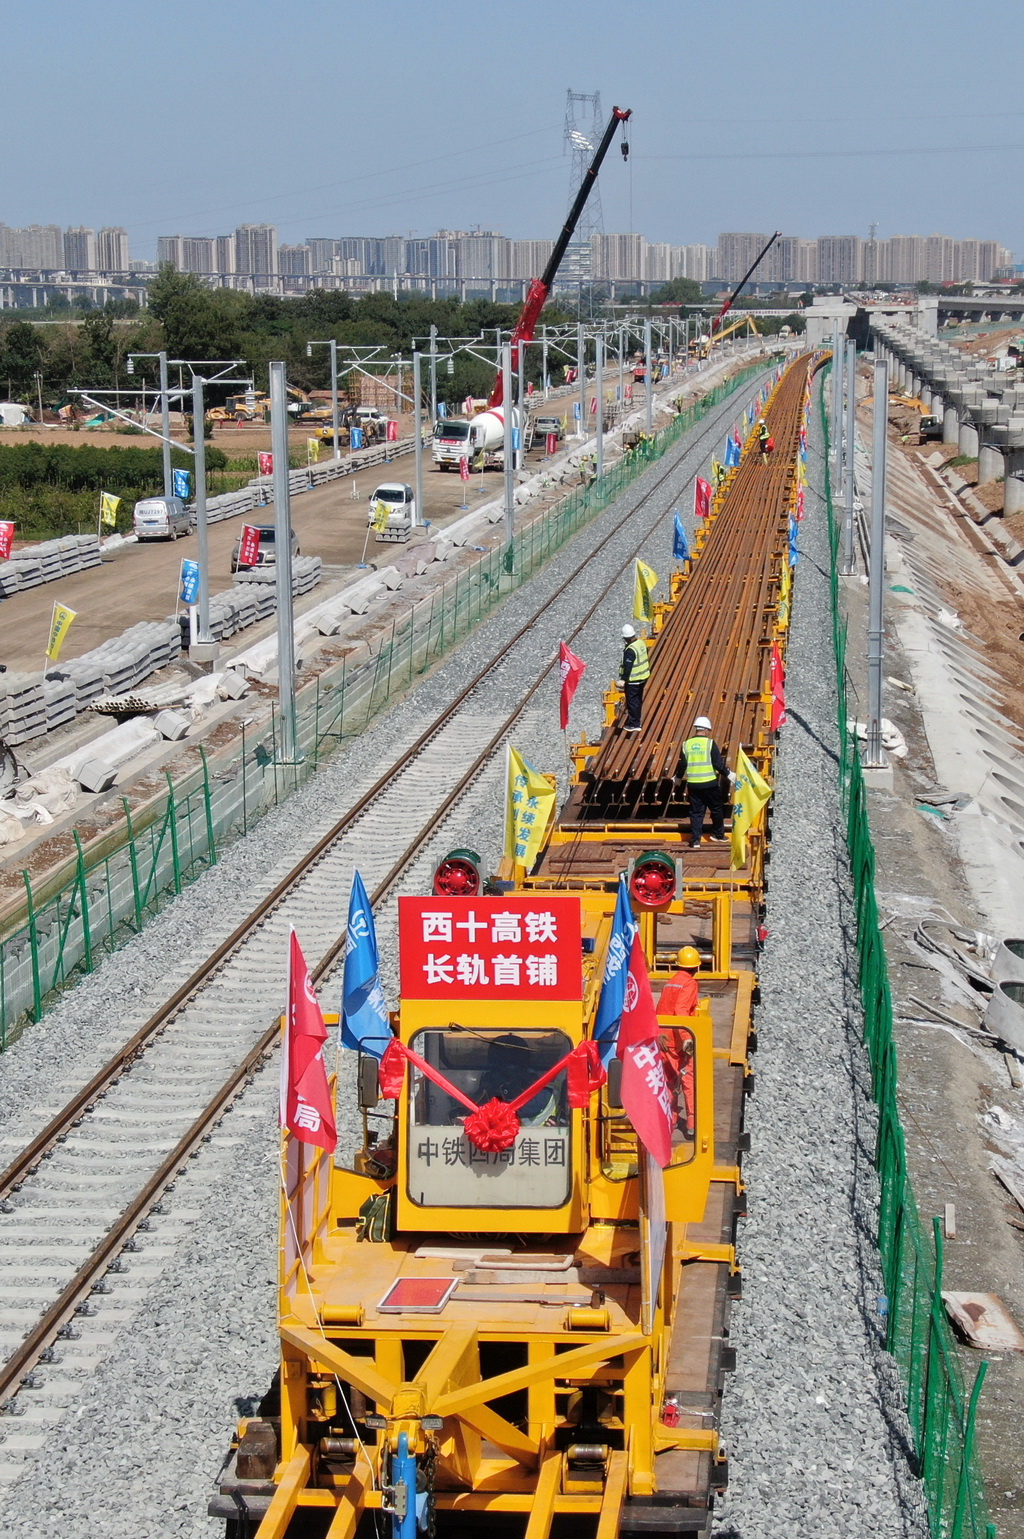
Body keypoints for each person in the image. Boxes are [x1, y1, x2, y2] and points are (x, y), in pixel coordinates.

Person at [658, 947, 701, 1138]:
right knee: (689, 1080)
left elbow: (661, 1009)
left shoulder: (671, 983)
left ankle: (670, 1120)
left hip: (664, 1037)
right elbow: (681, 1010)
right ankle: (692, 1124)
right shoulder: (689, 983)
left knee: (668, 1081)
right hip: (679, 1039)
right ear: (696, 968)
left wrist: (657, 1033)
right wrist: (687, 1038)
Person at [677, 715, 730, 847]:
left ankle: (695, 840)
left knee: (696, 812)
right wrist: (728, 773)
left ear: (696, 729)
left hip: (694, 785)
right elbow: (717, 764)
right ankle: (718, 835)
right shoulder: (710, 743)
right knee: (716, 809)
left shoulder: (686, 744)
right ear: (706, 730)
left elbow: (682, 765)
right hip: (710, 784)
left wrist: (678, 777)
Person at [619, 623, 650, 733]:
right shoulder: (641, 643)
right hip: (643, 677)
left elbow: (628, 666)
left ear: (626, 638)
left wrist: (623, 679)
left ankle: (634, 723)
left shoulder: (630, 650)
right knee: (637, 700)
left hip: (633, 680)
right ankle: (636, 720)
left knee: (632, 702)